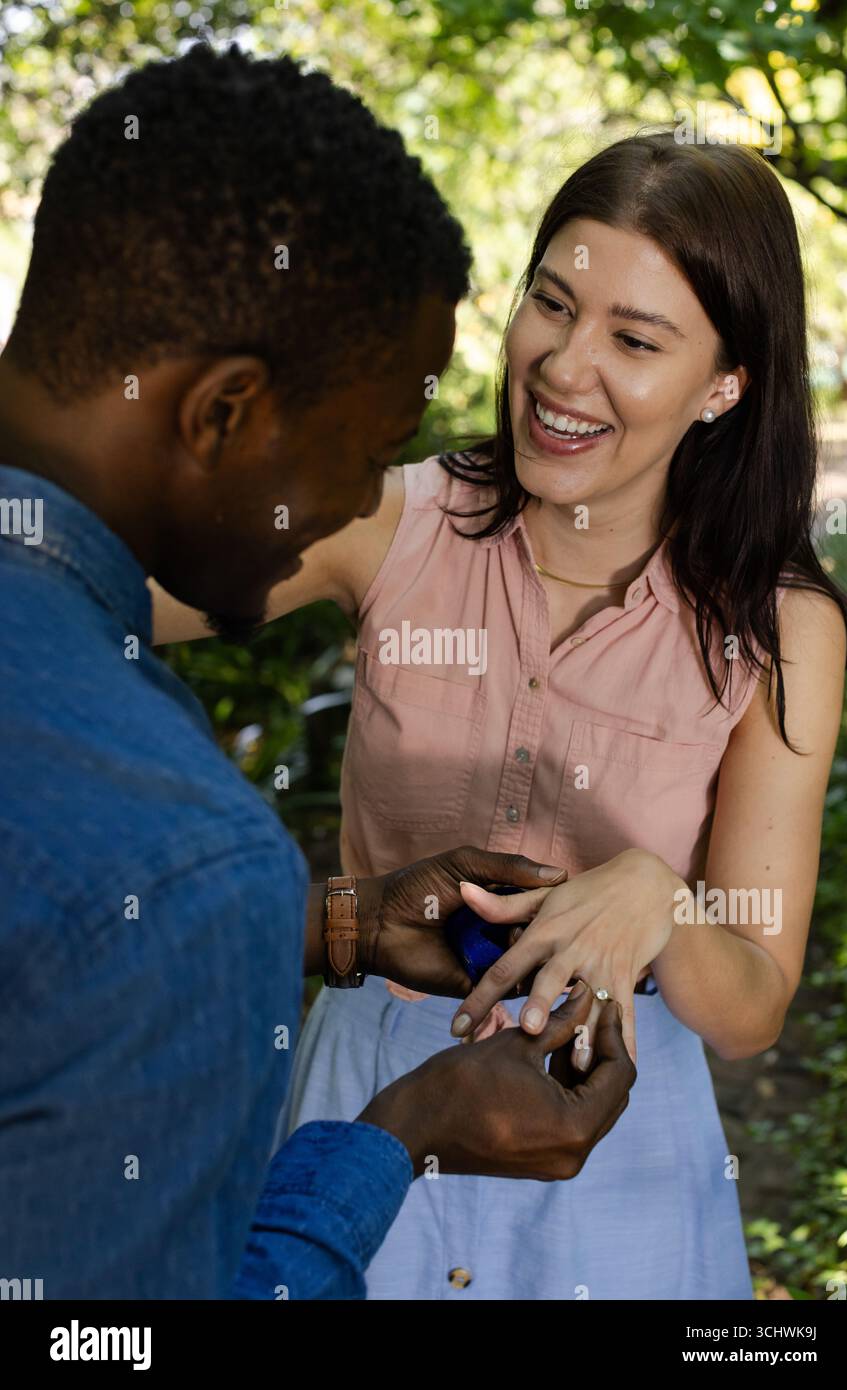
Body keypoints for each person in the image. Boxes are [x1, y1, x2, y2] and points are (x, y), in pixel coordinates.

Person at [154, 130, 847, 1300]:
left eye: (635, 340)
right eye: (552, 303)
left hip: (612, 1142)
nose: (564, 366)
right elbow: (96, 579)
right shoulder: (389, 522)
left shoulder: (779, 628)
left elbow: (752, 1007)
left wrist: (664, 905)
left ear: (726, 385)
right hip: (360, 1109)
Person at [0, 43, 635, 1301]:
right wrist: (400, 1135)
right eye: (366, 447)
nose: (362, 498)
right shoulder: (189, 856)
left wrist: (333, 922)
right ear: (225, 413)